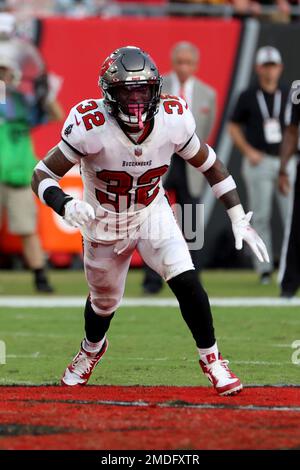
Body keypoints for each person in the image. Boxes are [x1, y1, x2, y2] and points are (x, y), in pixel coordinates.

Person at [32, 46, 268, 395]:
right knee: (103, 304)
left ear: (156, 88)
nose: (136, 99)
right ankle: (91, 350)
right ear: (110, 94)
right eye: (127, 91)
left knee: (186, 279)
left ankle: (213, 359)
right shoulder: (89, 124)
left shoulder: (174, 117)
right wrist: (64, 203)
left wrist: (237, 216)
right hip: (103, 221)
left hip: (150, 212)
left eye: (143, 89)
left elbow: (211, 165)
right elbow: (41, 175)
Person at [143, 41, 216, 294]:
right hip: (160, 162)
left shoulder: (208, 94)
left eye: (189, 62)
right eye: (180, 62)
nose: (184, 67)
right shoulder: (156, 87)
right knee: (151, 218)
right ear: (173, 62)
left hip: (189, 166)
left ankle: (194, 278)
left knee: (192, 221)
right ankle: (151, 280)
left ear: (196, 65)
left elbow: (205, 133)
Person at [228, 46, 294, 285]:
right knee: (262, 215)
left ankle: (289, 266)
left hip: (286, 160)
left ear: (280, 67)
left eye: (273, 65)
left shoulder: (288, 93)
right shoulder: (248, 95)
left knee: (290, 215)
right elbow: (233, 126)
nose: (270, 71)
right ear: (258, 68)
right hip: (260, 160)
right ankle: (264, 268)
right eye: (266, 66)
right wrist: (248, 151)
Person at [0, 57, 58, 292]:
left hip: (18, 175)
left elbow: (56, 113)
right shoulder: (11, 100)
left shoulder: (21, 102)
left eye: (5, 72)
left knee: (27, 229)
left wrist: (47, 94)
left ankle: (40, 277)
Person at [278, 83, 300, 298]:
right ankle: (289, 284)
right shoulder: (298, 88)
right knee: (297, 227)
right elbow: (292, 130)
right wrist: (283, 169)